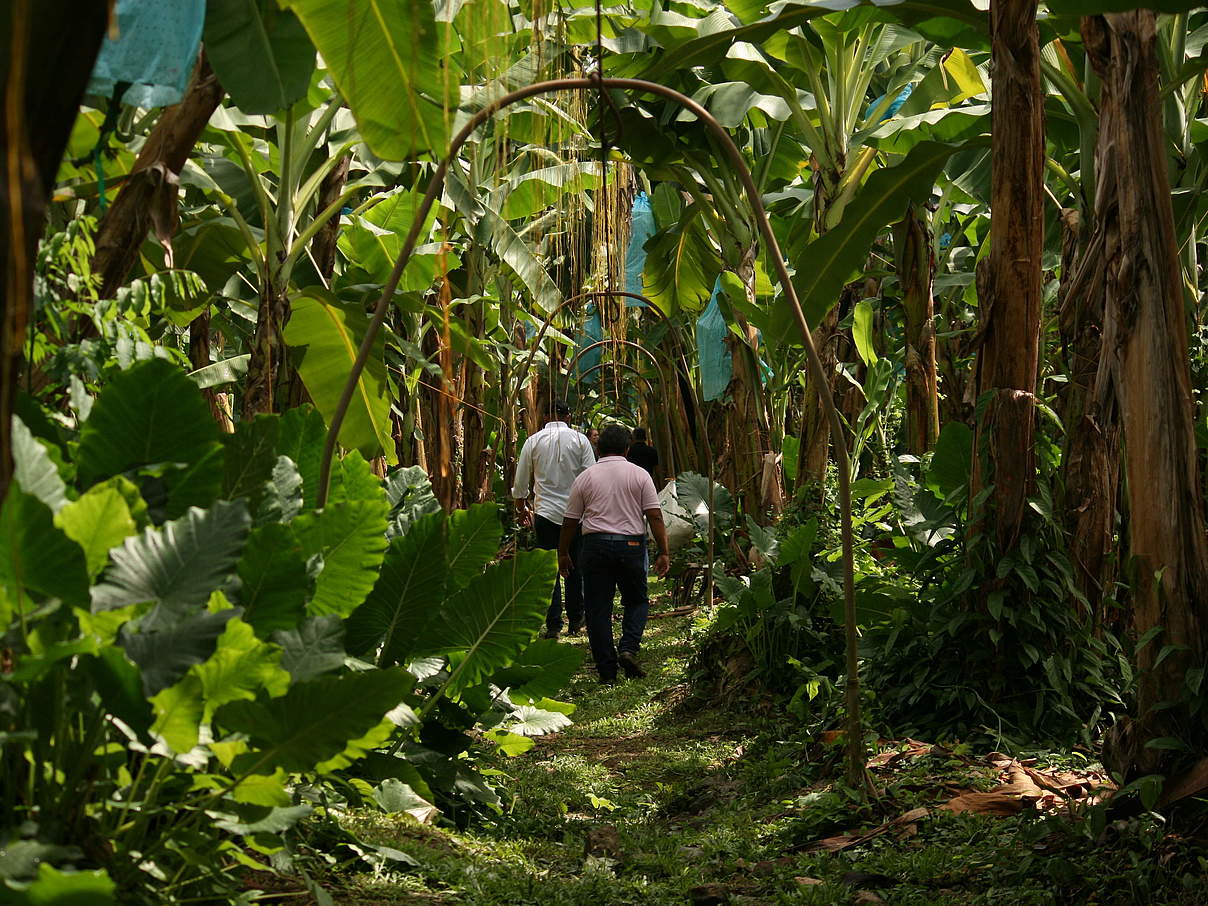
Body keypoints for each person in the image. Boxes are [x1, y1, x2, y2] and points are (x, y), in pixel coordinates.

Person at [558, 425, 670, 685]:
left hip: (594, 546)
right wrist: (664, 551)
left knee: (598, 609)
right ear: (627, 448)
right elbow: (654, 515)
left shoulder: (585, 477)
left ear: (597, 448)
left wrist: (563, 553)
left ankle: (607, 672)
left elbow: (569, 521)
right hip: (631, 545)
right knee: (637, 601)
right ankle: (628, 647)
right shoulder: (640, 475)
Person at [513, 401, 596, 639]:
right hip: (576, 515)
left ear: (546, 415)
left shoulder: (533, 441)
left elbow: (521, 481)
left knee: (550, 568)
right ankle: (576, 618)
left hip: (545, 514)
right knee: (575, 566)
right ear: (568, 415)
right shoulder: (580, 440)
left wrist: (521, 506)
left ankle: (553, 624)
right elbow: (591, 476)